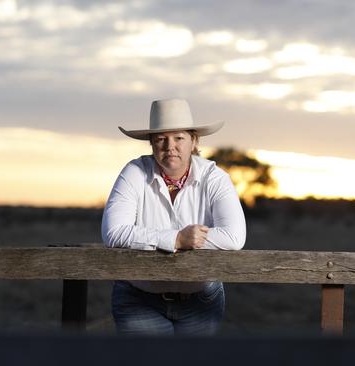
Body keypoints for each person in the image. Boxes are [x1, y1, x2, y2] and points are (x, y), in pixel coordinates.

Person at [101, 98, 246, 336]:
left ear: (193, 141)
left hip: (201, 299)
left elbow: (233, 237)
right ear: (151, 143)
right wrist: (177, 239)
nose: (170, 146)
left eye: (179, 138)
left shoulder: (215, 178)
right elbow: (114, 232)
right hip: (139, 298)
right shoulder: (134, 173)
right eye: (161, 139)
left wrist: (182, 239)